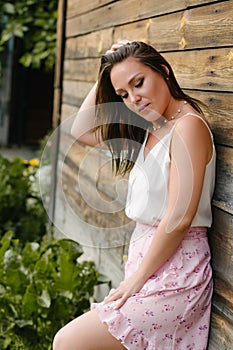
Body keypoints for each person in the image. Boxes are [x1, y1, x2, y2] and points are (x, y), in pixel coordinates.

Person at [53, 40, 216, 350]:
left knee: (68, 342)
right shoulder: (153, 127)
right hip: (148, 265)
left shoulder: (188, 127)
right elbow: (81, 129)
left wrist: (137, 280)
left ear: (163, 70)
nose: (134, 99)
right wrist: (105, 70)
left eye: (138, 82)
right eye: (123, 95)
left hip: (176, 272)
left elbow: (180, 216)